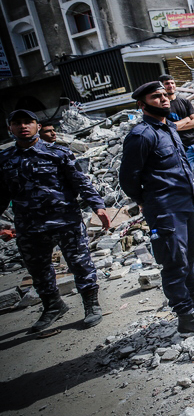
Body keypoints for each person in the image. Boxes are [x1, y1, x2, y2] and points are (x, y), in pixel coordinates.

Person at [120, 82, 194, 335]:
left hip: (185, 202)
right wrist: (145, 200)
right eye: (155, 97)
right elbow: (128, 178)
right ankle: (186, 317)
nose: (163, 99)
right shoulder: (141, 135)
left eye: (164, 95)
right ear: (142, 104)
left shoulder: (169, 127)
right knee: (174, 261)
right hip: (164, 207)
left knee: (189, 254)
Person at [0, 109, 110, 332]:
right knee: (38, 270)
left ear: (38, 126)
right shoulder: (4, 159)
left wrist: (98, 206)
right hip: (29, 225)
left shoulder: (57, 152)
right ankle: (53, 306)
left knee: (80, 263)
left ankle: (91, 305)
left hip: (65, 220)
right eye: (17, 123)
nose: (23, 126)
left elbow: (79, 181)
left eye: (28, 122)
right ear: (10, 128)